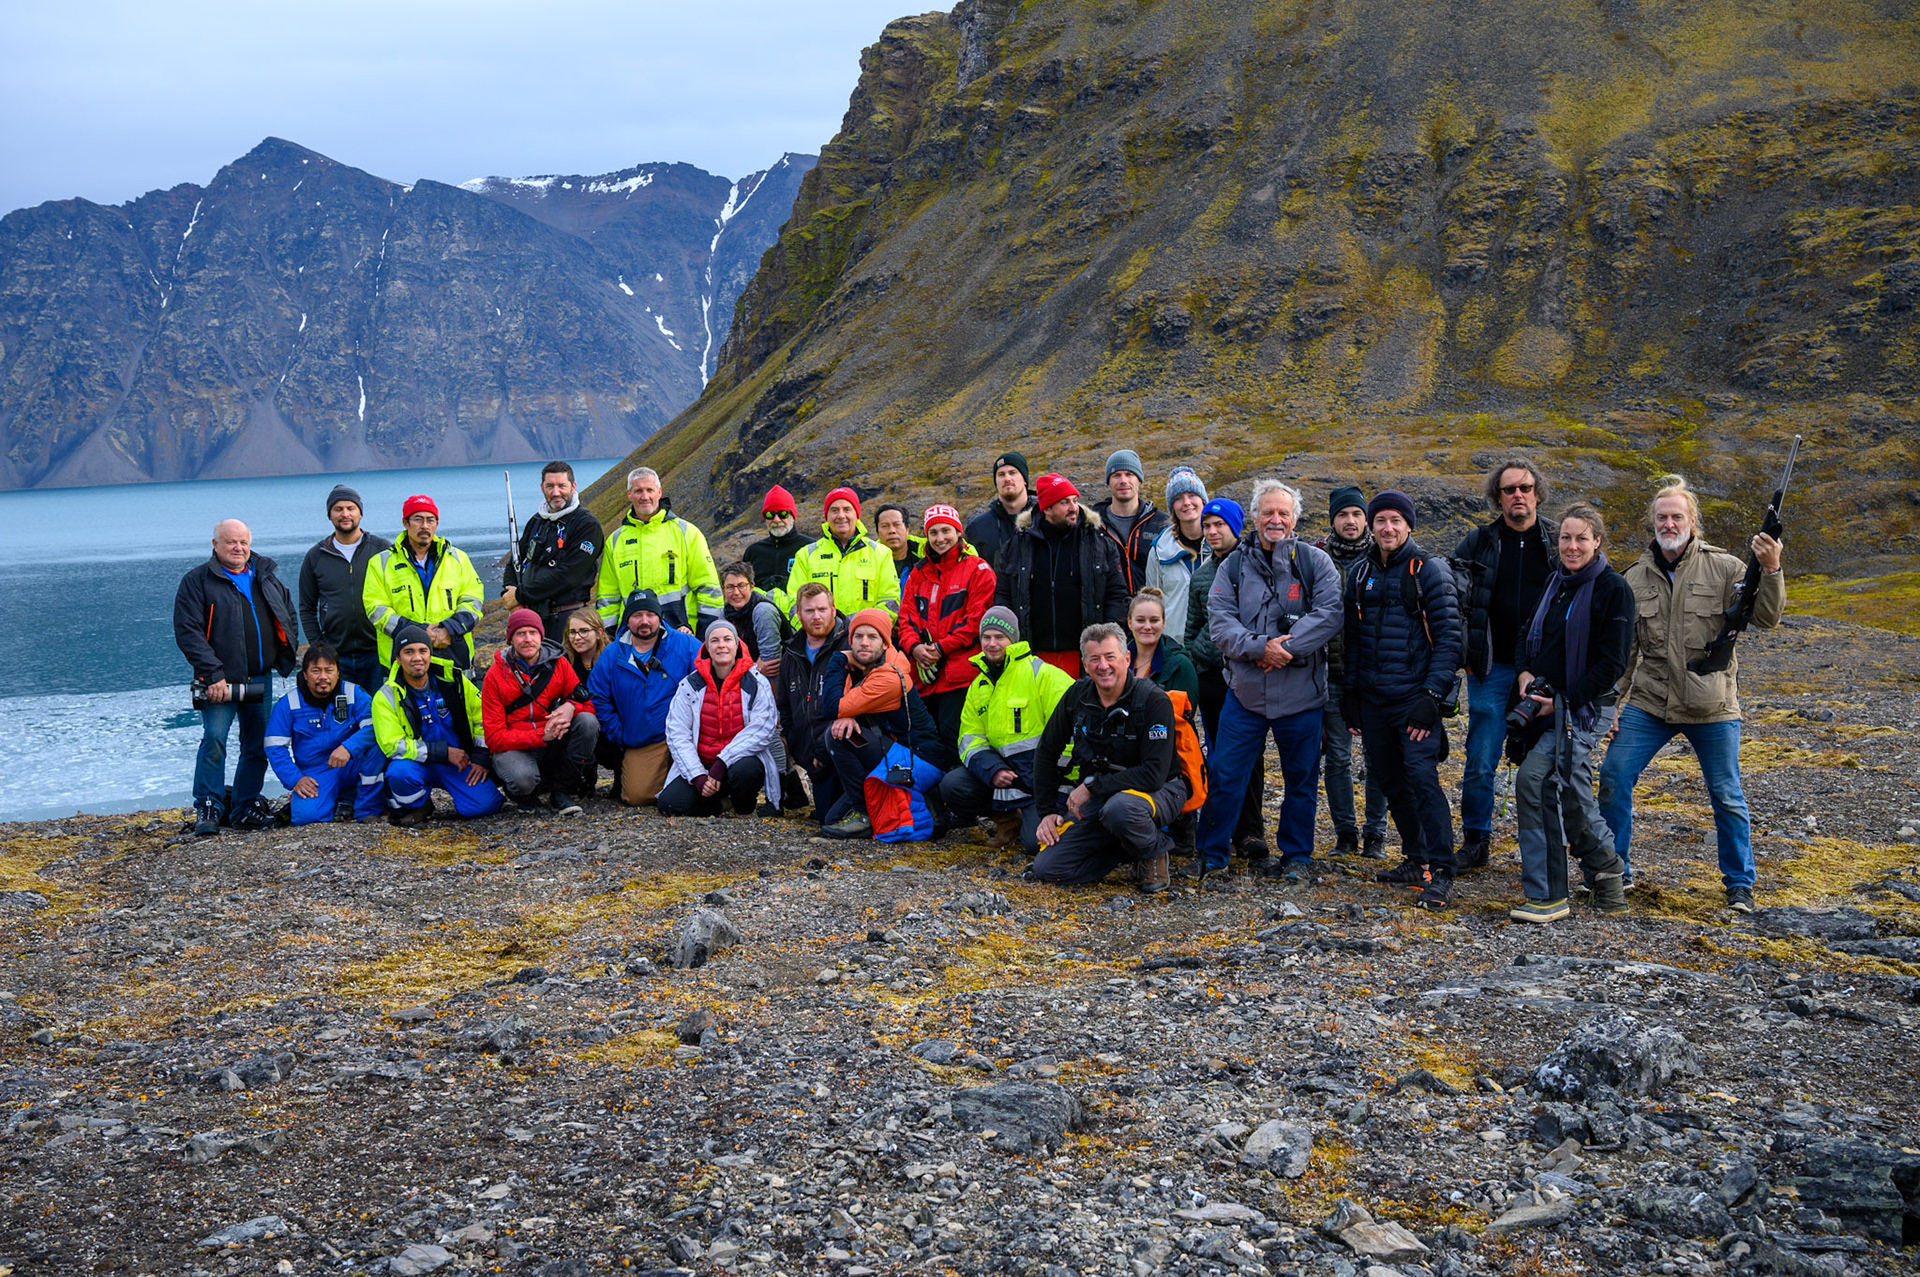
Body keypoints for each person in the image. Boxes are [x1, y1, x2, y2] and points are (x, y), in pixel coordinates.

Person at [1598, 475, 1784, 913]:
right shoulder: (1633, 577)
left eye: (1676, 515)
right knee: (1613, 778)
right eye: (1661, 517)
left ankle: (1739, 884)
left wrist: (1772, 568)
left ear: (1693, 520)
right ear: (1652, 522)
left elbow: (1768, 618)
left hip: (1712, 704)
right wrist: (1610, 706)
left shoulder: (1727, 568)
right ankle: (1613, 874)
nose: (1668, 523)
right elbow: (1623, 654)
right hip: (1650, 703)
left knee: (1727, 794)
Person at [1196, 481, 1344, 881]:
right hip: (1245, 694)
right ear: (1255, 517)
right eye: (1267, 512)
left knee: (1301, 780)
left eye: (1283, 513)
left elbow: (1330, 614)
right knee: (1226, 773)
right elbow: (1221, 623)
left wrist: (1287, 648)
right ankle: (1212, 856)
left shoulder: (1316, 562)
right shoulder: (1231, 567)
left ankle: (1296, 857)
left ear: (1294, 519)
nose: (1275, 520)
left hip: (1303, 697)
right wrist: (1261, 648)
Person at [1508, 504, 1634, 922]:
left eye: (1582, 538)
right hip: (1545, 705)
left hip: (1583, 709)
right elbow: (1528, 634)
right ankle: (1608, 876)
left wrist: (1564, 699)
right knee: (1570, 792)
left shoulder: (1613, 589)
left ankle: (1548, 896)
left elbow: (1612, 663)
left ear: (1598, 541)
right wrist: (1526, 672)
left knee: (1535, 780)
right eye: (1566, 537)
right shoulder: (1554, 583)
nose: (1572, 546)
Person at [1344, 491, 1463, 909]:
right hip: (1374, 700)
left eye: (1396, 520)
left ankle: (1443, 870)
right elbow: (1353, 640)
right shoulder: (1359, 574)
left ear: (1409, 525)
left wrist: (1432, 697)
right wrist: (1351, 696)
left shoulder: (1429, 570)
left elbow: (1450, 640)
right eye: (1381, 521)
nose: (1387, 528)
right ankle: (1416, 859)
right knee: (1391, 780)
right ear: (1372, 527)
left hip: (1415, 700)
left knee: (1422, 779)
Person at [1451, 458, 1559, 873]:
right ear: (1497, 497)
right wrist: (1464, 656)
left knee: (1544, 759)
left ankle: (1544, 846)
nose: (1518, 496)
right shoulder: (1478, 542)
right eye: (1509, 489)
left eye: (1525, 488)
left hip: (1546, 668)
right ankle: (1476, 841)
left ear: (1538, 492)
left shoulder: (1557, 540)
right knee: (1480, 757)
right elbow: (1453, 601)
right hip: (1491, 667)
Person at [1029, 624, 1185, 893]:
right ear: (1084, 664)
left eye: (1110, 657)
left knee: (1120, 810)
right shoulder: (1077, 696)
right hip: (1102, 796)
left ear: (1127, 659)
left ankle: (1153, 852)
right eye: (1095, 659)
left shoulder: (1153, 701)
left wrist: (1091, 786)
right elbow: (1046, 752)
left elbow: (1154, 774)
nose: (1103, 666)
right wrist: (1046, 812)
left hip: (1159, 790)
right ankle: (1125, 847)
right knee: (1048, 869)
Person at [175, 519, 299, 835]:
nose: (238, 548)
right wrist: (212, 674)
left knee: (257, 744)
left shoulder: (266, 577)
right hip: (218, 682)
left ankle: (245, 806)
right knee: (215, 740)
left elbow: (287, 614)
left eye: (243, 542)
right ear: (215, 544)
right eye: (230, 542)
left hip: (260, 676)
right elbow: (188, 632)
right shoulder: (197, 581)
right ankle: (209, 807)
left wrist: (285, 655)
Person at [940, 607, 1074, 852]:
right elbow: (970, 739)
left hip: (1046, 781)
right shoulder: (978, 685)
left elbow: (1074, 731)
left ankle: (1037, 818)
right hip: (1006, 777)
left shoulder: (1043, 675)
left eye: (999, 637)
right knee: (953, 785)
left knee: (1036, 845)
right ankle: (1007, 822)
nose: (992, 644)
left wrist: (1044, 776)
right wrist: (992, 769)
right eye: (986, 637)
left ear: (1014, 639)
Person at [1186, 498, 1267, 862]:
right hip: (1212, 677)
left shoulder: (1255, 566)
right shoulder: (1202, 574)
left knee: (1251, 754)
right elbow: (1192, 629)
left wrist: (1218, 642)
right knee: (1219, 755)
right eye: (1207, 526)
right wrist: (1201, 654)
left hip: (1247, 675)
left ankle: (1249, 831)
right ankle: (1223, 829)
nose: (1212, 532)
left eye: (1219, 525)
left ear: (1236, 528)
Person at [992, 473, 1129, 676]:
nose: (1074, 508)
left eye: (1075, 500)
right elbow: (1003, 597)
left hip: (1084, 657)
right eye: (1064, 502)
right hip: (1032, 656)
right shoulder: (1017, 545)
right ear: (1047, 508)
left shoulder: (1098, 543)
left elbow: (1117, 595)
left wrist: (1105, 643)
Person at [818, 608, 935, 839]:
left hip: (917, 760)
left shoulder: (889, 675)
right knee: (830, 818)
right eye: (858, 637)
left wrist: (838, 658)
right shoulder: (863, 667)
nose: (864, 643)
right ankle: (867, 808)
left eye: (872, 637)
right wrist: (847, 713)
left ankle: (863, 813)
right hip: (889, 751)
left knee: (839, 735)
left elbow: (831, 707)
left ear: (884, 644)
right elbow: (840, 707)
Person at [1318, 486, 1389, 859]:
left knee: (1377, 756)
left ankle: (1376, 834)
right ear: (1333, 520)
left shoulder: (1384, 558)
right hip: (1331, 675)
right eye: (1343, 515)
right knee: (1339, 758)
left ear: (1366, 520)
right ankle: (1345, 834)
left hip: (1375, 676)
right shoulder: (1316, 558)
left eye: (1357, 515)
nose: (1350, 521)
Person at [371, 624, 504, 824]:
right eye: (409, 652)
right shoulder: (385, 696)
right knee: (399, 774)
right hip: (417, 764)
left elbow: (482, 716)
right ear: (398, 658)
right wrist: (442, 752)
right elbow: (393, 745)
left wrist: (481, 756)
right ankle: (420, 806)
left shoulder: (454, 679)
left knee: (485, 806)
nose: (417, 658)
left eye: (423, 651)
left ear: (430, 654)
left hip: (459, 762)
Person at [897, 504, 995, 770]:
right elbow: (905, 620)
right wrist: (915, 648)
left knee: (956, 738)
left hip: (961, 675)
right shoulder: (918, 573)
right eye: (933, 532)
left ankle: (961, 800)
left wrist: (939, 649)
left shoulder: (978, 569)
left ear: (958, 532)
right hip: (924, 675)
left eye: (946, 531)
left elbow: (976, 620)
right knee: (928, 741)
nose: (940, 538)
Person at [587, 588, 704, 805]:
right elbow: (597, 697)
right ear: (627, 619)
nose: (644, 621)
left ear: (659, 617)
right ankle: (671, 785)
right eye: (637, 615)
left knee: (705, 783)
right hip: (646, 740)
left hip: (689, 735)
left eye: (650, 615)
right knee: (636, 796)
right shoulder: (613, 654)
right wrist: (620, 732)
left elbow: (709, 678)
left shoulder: (687, 645)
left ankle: (685, 787)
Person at [481, 609, 599, 815]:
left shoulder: (559, 663)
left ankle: (562, 791)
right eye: (520, 633)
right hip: (517, 745)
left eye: (533, 633)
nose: (528, 639)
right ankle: (524, 795)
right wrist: (539, 736)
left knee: (587, 722)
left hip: (552, 739)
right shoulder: (495, 675)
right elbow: (494, 738)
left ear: (541, 636)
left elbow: (587, 706)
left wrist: (571, 706)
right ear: (510, 639)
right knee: (522, 779)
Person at [660, 621, 783, 816]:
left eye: (727, 639)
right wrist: (698, 775)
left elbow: (763, 728)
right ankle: (720, 804)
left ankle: (744, 807)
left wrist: (722, 762)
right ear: (707, 648)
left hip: (736, 764)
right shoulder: (690, 685)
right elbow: (677, 733)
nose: (721, 645)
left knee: (747, 771)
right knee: (670, 804)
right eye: (714, 641)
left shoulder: (756, 682)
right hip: (702, 763)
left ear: (737, 645)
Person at [265, 641, 384, 825]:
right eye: (315, 671)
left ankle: (366, 809)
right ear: (304, 674)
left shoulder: (354, 694)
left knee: (378, 746)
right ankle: (340, 799)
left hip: (352, 764)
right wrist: (295, 779)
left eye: (329, 670)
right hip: (317, 772)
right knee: (306, 818)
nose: (323, 677)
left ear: (338, 672)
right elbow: (274, 747)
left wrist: (349, 747)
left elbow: (376, 726)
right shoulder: (288, 703)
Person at [720, 561, 806, 811]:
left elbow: (771, 660)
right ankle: (794, 793)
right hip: (753, 678)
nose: (735, 592)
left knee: (770, 732)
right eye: (729, 587)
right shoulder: (726, 613)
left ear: (752, 586)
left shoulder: (762, 611)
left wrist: (747, 671)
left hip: (781, 679)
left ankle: (783, 794)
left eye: (741, 586)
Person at [364, 494, 486, 670]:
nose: (425, 526)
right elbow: (376, 609)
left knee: (459, 698)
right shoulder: (381, 563)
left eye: (430, 520)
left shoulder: (458, 559)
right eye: (418, 519)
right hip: (403, 659)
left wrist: (449, 629)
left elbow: (473, 600)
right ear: (405, 523)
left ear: (437, 524)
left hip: (454, 655)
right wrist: (418, 634)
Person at [594, 466, 722, 635]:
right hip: (633, 638)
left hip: (682, 634)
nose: (645, 496)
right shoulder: (616, 541)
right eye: (638, 491)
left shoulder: (687, 533)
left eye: (650, 490)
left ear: (659, 492)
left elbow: (709, 589)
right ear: (629, 495)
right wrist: (607, 641)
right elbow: (607, 600)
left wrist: (707, 633)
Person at [298, 484, 392, 694]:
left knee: (380, 714)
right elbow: (306, 607)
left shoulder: (382, 549)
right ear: (330, 515)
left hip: (378, 653)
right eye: (338, 509)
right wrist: (318, 645)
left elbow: (399, 596)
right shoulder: (316, 556)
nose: (345, 514)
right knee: (342, 716)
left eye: (350, 508)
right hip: (336, 656)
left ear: (360, 512)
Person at [776, 581, 850, 821]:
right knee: (826, 817)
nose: (816, 616)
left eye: (822, 609)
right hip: (812, 759)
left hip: (843, 754)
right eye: (809, 611)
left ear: (833, 608)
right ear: (798, 614)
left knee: (836, 821)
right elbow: (785, 706)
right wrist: (799, 748)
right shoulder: (791, 653)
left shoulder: (850, 645)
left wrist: (824, 747)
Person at [508, 461, 604, 635]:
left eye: (562, 486)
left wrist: (520, 595)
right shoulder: (537, 521)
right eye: (550, 486)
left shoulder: (587, 525)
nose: (556, 492)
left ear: (573, 486)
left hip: (568, 620)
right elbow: (514, 561)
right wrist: (509, 591)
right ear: (542, 487)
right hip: (532, 619)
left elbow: (569, 576)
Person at [787, 488, 900, 617]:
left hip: (865, 634)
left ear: (857, 515)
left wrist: (864, 627)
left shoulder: (881, 554)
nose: (841, 516)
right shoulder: (805, 555)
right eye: (834, 510)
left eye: (847, 509)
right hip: (820, 635)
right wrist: (812, 631)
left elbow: (890, 602)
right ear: (827, 517)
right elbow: (794, 602)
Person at [559, 605, 621, 796]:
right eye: (573, 632)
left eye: (584, 631)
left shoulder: (615, 659)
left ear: (599, 632)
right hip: (578, 729)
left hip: (611, 729)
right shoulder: (562, 662)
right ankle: (579, 779)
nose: (577, 637)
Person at [1144, 467, 1209, 642]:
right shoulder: (1159, 551)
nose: (1187, 502)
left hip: (1217, 649)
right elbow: (1151, 604)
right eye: (1178, 498)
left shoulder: (1223, 547)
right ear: (1172, 507)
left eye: (1192, 495)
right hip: (1174, 647)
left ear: (1203, 501)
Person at [1093, 449, 1170, 593]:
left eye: (1129, 474)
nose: (1123, 481)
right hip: (1109, 613)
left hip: (1152, 612)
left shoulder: (1162, 523)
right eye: (1116, 475)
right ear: (1108, 482)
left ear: (1139, 480)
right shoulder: (1093, 525)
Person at [742, 485, 816, 614]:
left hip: (801, 621)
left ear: (793, 516)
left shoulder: (811, 548)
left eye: (783, 514)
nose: (776, 520)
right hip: (761, 621)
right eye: (770, 515)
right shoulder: (753, 552)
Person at [965, 451, 1037, 571]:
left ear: (1024, 479)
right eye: (1001, 474)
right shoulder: (978, 528)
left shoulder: (1046, 516)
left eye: (1012, 473)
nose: (1007, 478)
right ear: (996, 482)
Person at [873, 503, 926, 589]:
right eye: (885, 526)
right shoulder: (868, 559)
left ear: (907, 529)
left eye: (897, 525)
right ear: (877, 533)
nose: (892, 531)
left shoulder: (927, 553)